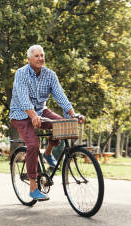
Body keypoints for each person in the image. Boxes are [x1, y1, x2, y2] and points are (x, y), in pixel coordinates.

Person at [9, 45, 84, 201]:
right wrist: (32, 115)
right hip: (21, 114)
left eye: (42, 55)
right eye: (36, 56)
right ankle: (33, 187)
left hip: (41, 111)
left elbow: (60, 95)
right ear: (29, 59)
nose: (40, 58)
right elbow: (23, 98)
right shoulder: (21, 74)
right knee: (34, 144)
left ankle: (48, 153)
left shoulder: (50, 75)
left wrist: (73, 113)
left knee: (63, 124)